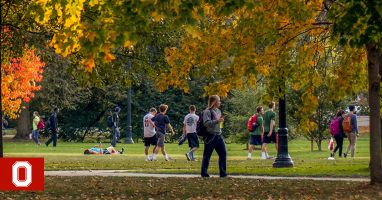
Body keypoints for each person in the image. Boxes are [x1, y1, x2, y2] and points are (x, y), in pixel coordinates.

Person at [201, 95, 227, 178]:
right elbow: (206, 123)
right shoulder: (207, 111)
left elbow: (219, 123)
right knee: (207, 155)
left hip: (218, 135)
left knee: (223, 153)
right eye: (218, 100)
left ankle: (223, 173)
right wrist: (217, 121)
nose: (220, 102)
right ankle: (204, 173)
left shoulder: (219, 111)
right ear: (214, 102)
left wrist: (220, 124)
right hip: (210, 136)